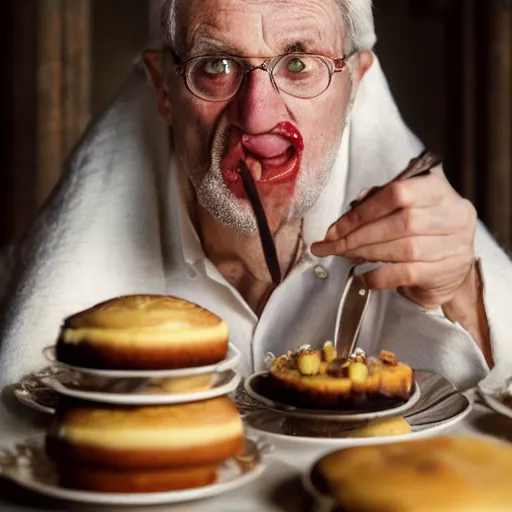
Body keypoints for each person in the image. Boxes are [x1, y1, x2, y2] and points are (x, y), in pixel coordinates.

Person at [0, 0, 510, 393]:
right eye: (216, 65)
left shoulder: (410, 230)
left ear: (354, 85)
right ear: (163, 89)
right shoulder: (63, 269)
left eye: (298, 63)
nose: (258, 115)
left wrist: (460, 291)